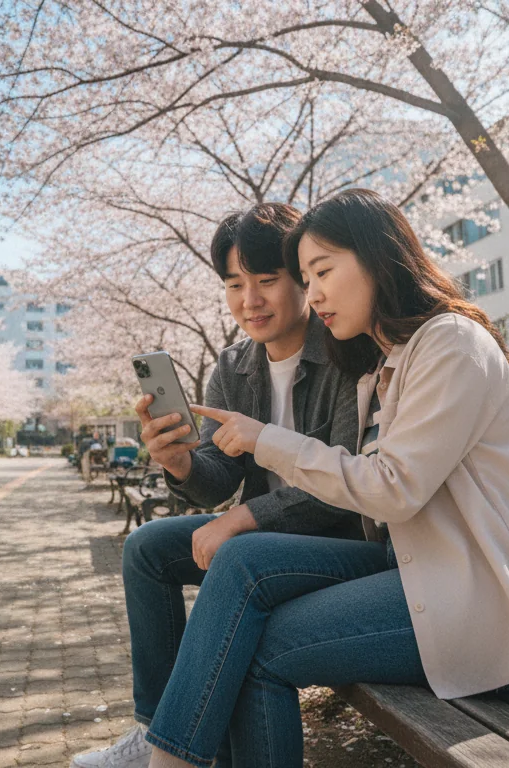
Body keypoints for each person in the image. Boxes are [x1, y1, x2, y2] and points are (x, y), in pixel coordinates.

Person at [132, 189, 509, 768]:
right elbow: (370, 486)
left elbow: (390, 487)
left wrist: (264, 442)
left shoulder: (451, 344)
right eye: (306, 275)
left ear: (376, 258)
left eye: (320, 272)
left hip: (487, 605)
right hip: (415, 575)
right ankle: (167, 745)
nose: (313, 294)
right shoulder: (388, 362)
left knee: (249, 615)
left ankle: (168, 758)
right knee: (229, 595)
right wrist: (181, 462)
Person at [70, 203, 363, 768]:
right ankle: (155, 727)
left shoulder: (343, 354)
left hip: (339, 540)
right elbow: (215, 483)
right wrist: (179, 462)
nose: (248, 301)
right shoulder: (233, 367)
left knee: (239, 557)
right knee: (146, 548)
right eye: (234, 284)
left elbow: (347, 481)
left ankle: (173, 750)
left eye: (266, 281)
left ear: (302, 279)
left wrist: (245, 518)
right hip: (258, 540)